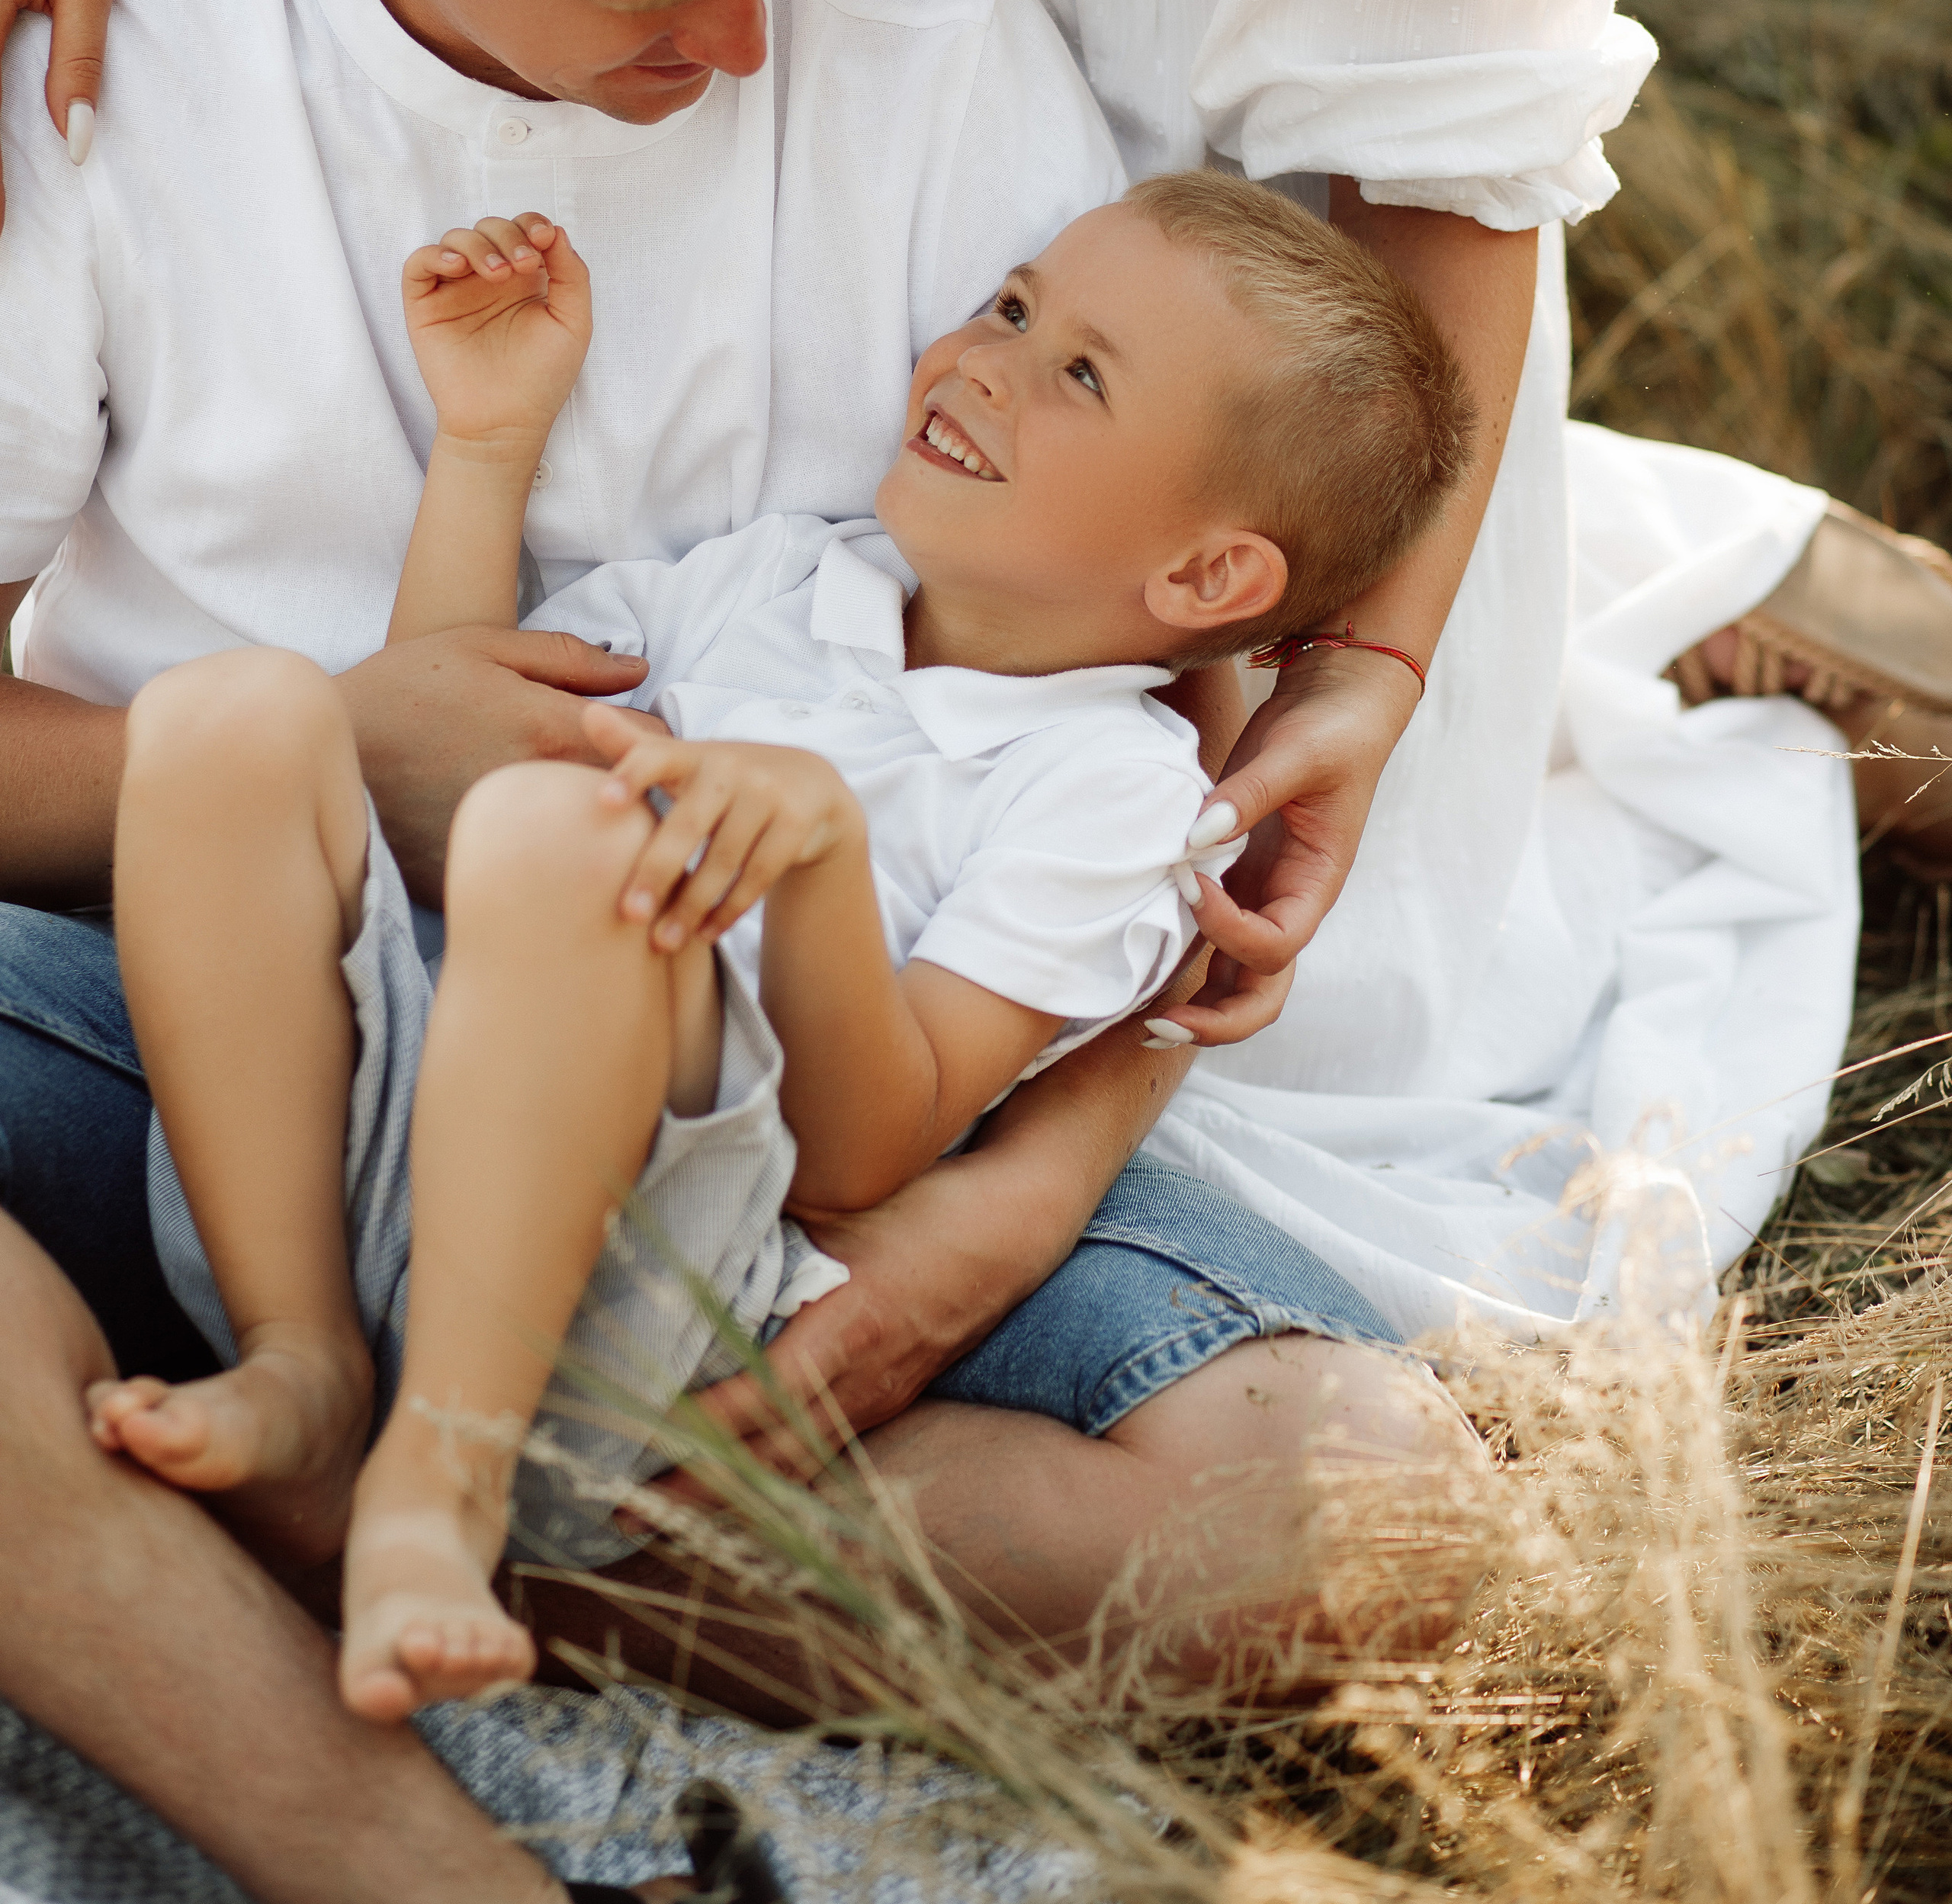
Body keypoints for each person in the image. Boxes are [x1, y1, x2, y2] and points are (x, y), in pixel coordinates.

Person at [8, 0, 1952, 1382]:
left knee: (1197, 948)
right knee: (822, 660)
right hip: (807, 34)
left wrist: (1371, 673)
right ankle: (1727, 580)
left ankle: (1717, 613)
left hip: (1226, 247)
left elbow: (1440, 167)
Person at [0, 0, 1478, 1904]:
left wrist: (1008, 1209)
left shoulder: (928, 55)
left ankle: (389, 1507)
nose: (756, 52)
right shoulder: (116, 60)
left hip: (783, 1099)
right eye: (670, 9)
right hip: (184, 982)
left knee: (1361, 1534)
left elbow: (1144, 756)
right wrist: (363, 747)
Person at [92, 173, 1472, 1724]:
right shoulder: (780, 579)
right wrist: (485, 450)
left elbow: (865, 1151)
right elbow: (447, 726)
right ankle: (300, 1363)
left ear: (1205, 579)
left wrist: (814, 864)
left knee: (574, 846)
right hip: (415, 1094)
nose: (981, 358)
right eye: (1010, 305)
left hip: (666, 1248)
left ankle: (449, 1476)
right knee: (231, 720)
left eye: (1076, 373)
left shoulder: (1116, 801)